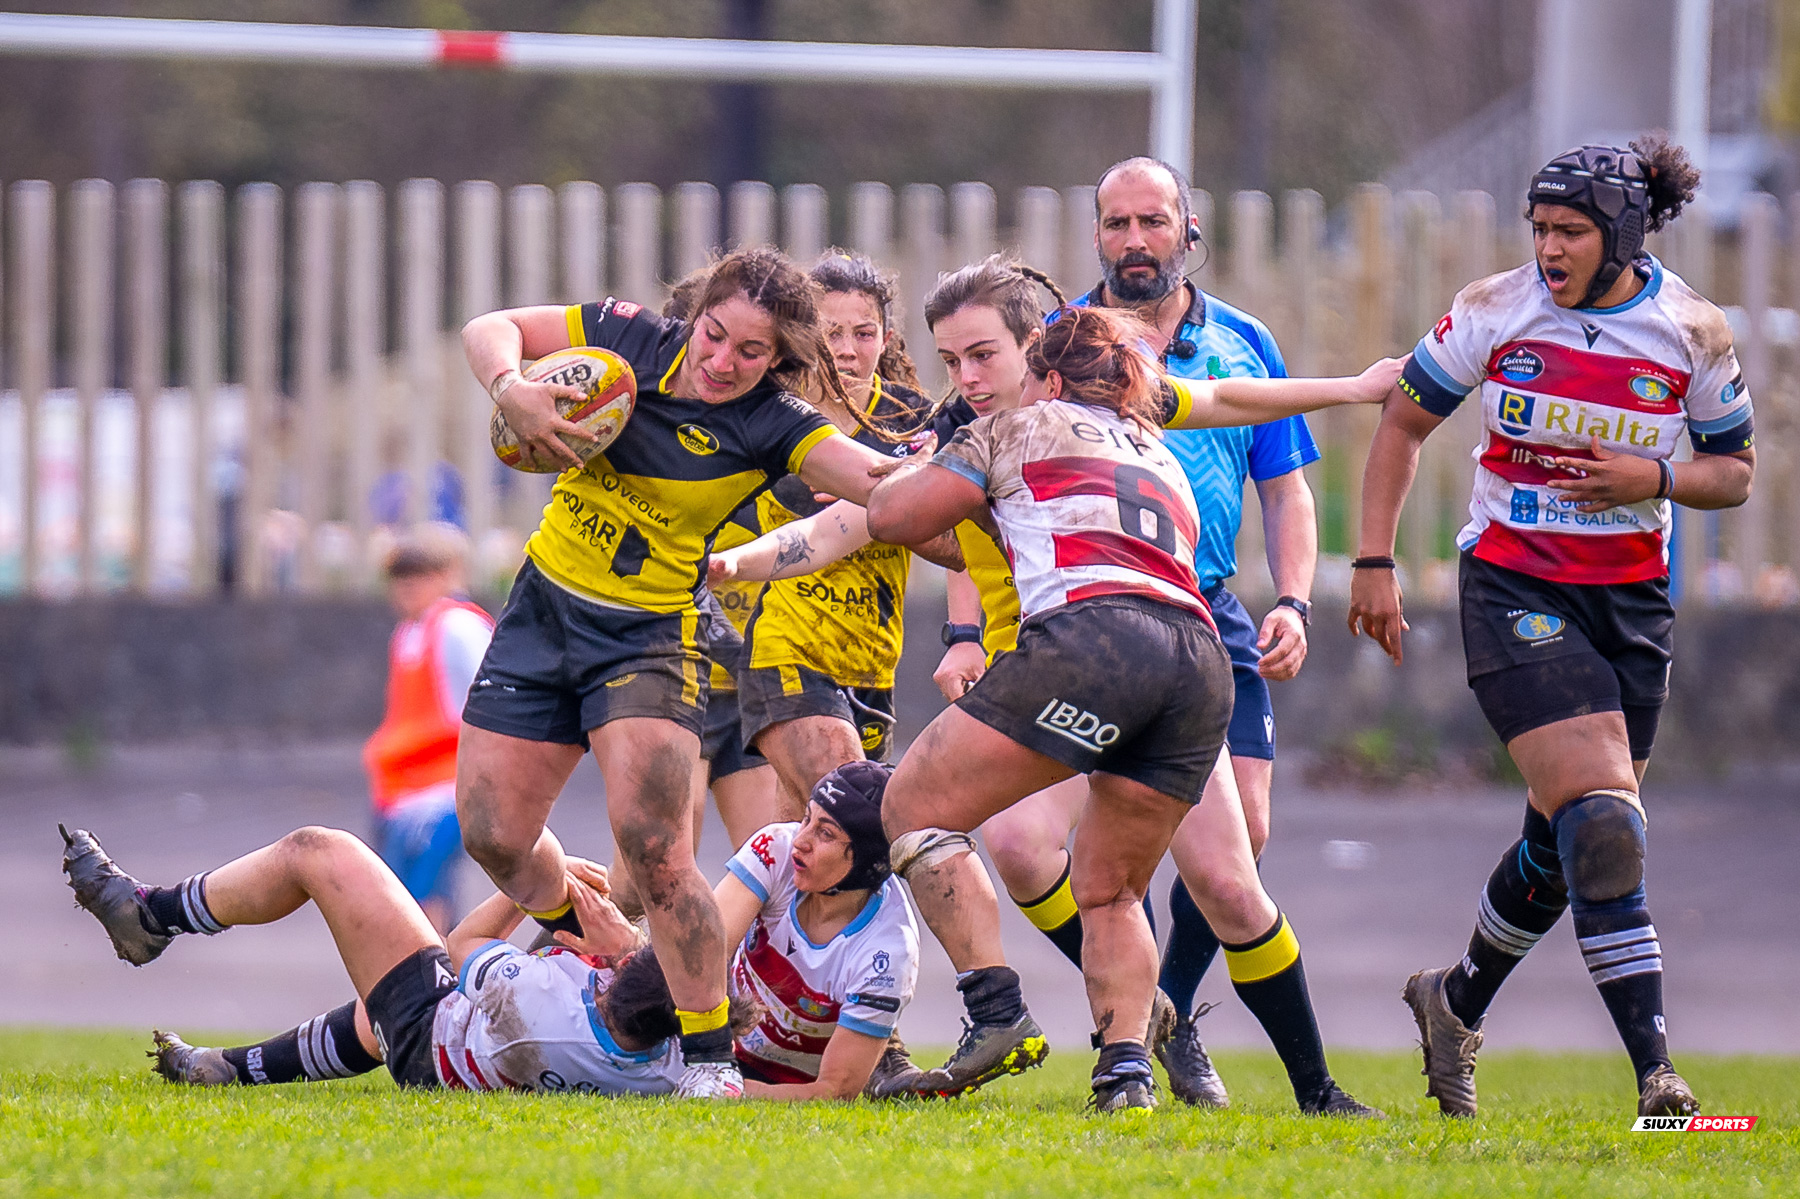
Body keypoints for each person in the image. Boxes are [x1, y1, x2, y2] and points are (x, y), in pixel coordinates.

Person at [865, 303, 1400, 1111]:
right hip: (1197, 659)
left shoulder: (1015, 428)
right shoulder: (1158, 448)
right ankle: (1126, 1074)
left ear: (1043, 377)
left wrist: (928, 465)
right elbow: (1221, 403)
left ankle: (996, 1008)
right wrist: (1356, 388)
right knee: (1112, 887)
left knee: (908, 804)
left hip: (1092, 641)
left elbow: (890, 518)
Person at [1348, 138, 1752, 1119]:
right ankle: (1658, 1075)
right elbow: (1402, 423)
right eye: (1539, 229)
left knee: (1571, 838)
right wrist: (1372, 560)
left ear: (1621, 234)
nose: (1549, 249)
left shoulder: (1691, 330)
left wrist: (1651, 477)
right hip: (1512, 581)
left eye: (1569, 231)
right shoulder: (1497, 307)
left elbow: (1732, 474)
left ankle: (1456, 1000)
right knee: (1605, 820)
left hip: (1631, 602)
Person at [457, 248, 900, 1097]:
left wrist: (974, 471)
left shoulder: (773, 422)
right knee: (493, 832)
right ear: (695, 315)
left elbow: (873, 479)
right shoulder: (635, 340)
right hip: (543, 610)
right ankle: (596, 936)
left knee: (656, 846)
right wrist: (510, 386)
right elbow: (494, 327)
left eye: (751, 351)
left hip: (648, 639)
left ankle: (706, 1059)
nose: (723, 361)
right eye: (715, 334)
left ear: (780, 361)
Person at [982, 155, 1326, 1108]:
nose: (1135, 239)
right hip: (1079, 614)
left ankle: (1164, 1008)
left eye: (1152, 221)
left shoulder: (1245, 342)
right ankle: (1138, 1017)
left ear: (1188, 229)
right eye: (1117, 223)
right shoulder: (1061, 343)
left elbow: (1285, 488)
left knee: (1238, 848)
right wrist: (971, 627)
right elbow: (992, 487)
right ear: (1097, 235)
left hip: (1210, 610)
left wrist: (1292, 600)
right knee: (1022, 842)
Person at [58, 823, 756, 1095]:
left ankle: (151, 915)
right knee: (372, 1015)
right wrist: (621, 947)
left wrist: (533, 889)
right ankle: (221, 1069)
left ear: (613, 978)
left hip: (433, 1034)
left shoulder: (540, 1002)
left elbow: (466, 948)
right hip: (483, 1049)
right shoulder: (683, 1060)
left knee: (319, 852)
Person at [734, 252, 956, 811]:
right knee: (856, 817)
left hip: (871, 666)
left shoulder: (915, 424)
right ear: (805, 334)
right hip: (786, 652)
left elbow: (961, 545)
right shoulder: (770, 413)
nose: (848, 349)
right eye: (831, 332)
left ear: (886, 338)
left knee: (807, 856)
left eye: (864, 332)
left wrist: (883, 513)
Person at [715, 760, 925, 1100]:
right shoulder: (776, 848)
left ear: (866, 861)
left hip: (786, 1083)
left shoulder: (888, 953)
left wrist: (730, 1091)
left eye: (825, 833)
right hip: (716, 1040)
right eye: (806, 819)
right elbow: (703, 954)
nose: (801, 840)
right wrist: (706, 1057)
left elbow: (834, 1092)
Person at [363, 524, 495, 932]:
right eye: (399, 577)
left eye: (418, 576)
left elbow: (491, 702)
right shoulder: (408, 632)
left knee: (423, 905)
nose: (405, 588)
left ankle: (429, 987)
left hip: (440, 792)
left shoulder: (457, 626)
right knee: (401, 902)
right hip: (403, 793)